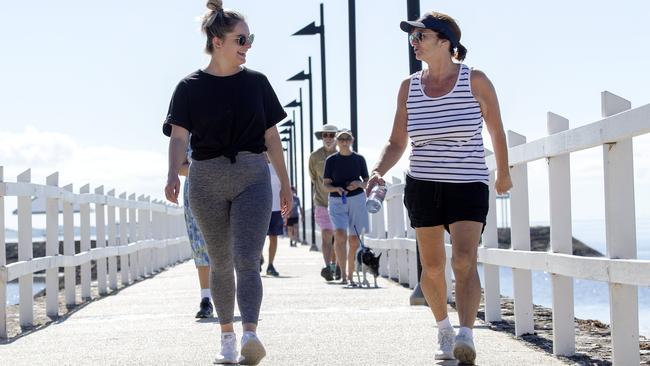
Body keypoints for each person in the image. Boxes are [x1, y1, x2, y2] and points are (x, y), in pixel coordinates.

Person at [366, 12, 512, 365]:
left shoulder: (475, 80)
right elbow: (397, 140)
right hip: (424, 184)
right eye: (412, 37)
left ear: (445, 41)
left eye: (421, 36)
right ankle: (444, 329)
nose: (413, 43)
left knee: (464, 259)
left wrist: (503, 173)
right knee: (432, 268)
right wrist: (378, 170)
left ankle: (466, 334)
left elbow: (496, 129)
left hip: (467, 182)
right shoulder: (409, 87)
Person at [163, 1, 292, 364]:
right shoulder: (188, 87)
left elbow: (271, 139)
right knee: (220, 262)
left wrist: (285, 182)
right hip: (205, 179)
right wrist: (173, 174)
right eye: (242, 39)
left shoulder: (257, 84)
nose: (248, 46)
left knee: (247, 259)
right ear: (218, 40)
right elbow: (177, 137)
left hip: (252, 175)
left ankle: (250, 333)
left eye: (250, 39)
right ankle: (227, 339)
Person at [323, 129, 370, 287]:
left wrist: (358, 184)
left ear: (352, 140)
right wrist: (336, 188)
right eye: (341, 139)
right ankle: (343, 274)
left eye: (347, 139)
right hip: (337, 200)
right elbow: (326, 184)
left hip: (357, 199)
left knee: (354, 239)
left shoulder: (359, 159)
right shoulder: (331, 160)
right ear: (337, 140)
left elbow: (367, 182)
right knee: (340, 235)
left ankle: (350, 275)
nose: (344, 141)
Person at [179, 146, 213, 318]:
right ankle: (205, 299)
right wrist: (203, 170)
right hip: (194, 190)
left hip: (223, 187)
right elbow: (179, 166)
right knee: (199, 246)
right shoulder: (188, 132)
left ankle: (226, 295)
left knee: (224, 244)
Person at [308, 124, 340, 281]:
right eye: (325, 135)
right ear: (321, 137)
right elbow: (313, 177)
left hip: (340, 203)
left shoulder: (342, 155)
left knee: (338, 236)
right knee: (327, 234)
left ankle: (336, 264)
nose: (328, 138)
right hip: (321, 202)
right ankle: (328, 267)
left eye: (331, 135)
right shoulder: (314, 157)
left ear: (336, 137)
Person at [264, 155, 282, 277]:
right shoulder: (259, 166)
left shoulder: (279, 168)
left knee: (273, 237)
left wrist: (286, 209)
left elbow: (284, 189)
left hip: (276, 208)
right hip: (260, 207)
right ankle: (258, 258)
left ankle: (270, 265)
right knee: (258, 238)